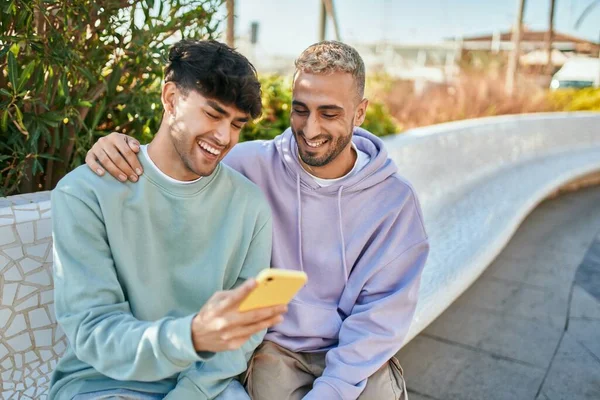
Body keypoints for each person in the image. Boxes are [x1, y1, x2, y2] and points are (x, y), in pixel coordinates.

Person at [85, 40, 429, 400]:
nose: (310, 130)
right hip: (274, 350)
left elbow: (379, 318)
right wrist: (118, 146)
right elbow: (175, 168)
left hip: (359, 355)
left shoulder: (394, 202)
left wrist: (333, 389)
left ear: (359, 113)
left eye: (329, 113)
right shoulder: (248, 167)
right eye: (300, 110)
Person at [50, 39, 287, 400]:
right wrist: (189, 336)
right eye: (213, 114)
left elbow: (245, 332)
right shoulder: (85, 193)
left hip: (205, 389)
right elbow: (94, 330)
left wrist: (190, 391)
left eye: (237, 124)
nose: (224, 137)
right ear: (171, 99)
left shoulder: (250, 205)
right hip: (104, 386)